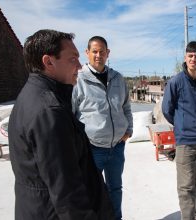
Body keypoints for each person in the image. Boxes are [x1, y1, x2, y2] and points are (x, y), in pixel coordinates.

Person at [8, 29, 114, 219]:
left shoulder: (33, 96)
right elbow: (66, 189)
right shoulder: (49, 111)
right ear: (49, 62)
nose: (80, 66)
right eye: (73, 59)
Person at [72, 36, 132, 220]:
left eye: (102, 51)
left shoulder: (117, 78)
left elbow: (126, 106)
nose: (98, 55)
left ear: (108, 53)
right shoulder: (78, 80)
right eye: (95, 51)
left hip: (116, 148)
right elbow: (71, 114)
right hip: (93, 149)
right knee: (92, 191)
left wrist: (128, 129)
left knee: (115, 189)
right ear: (87, 53)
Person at [162, 41, 196, 220]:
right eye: (190, 56)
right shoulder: (176, 82)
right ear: (185, 58)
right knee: (186, 187)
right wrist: (182, 126)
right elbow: (167, 109)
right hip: (186, 142)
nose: (194, 59)